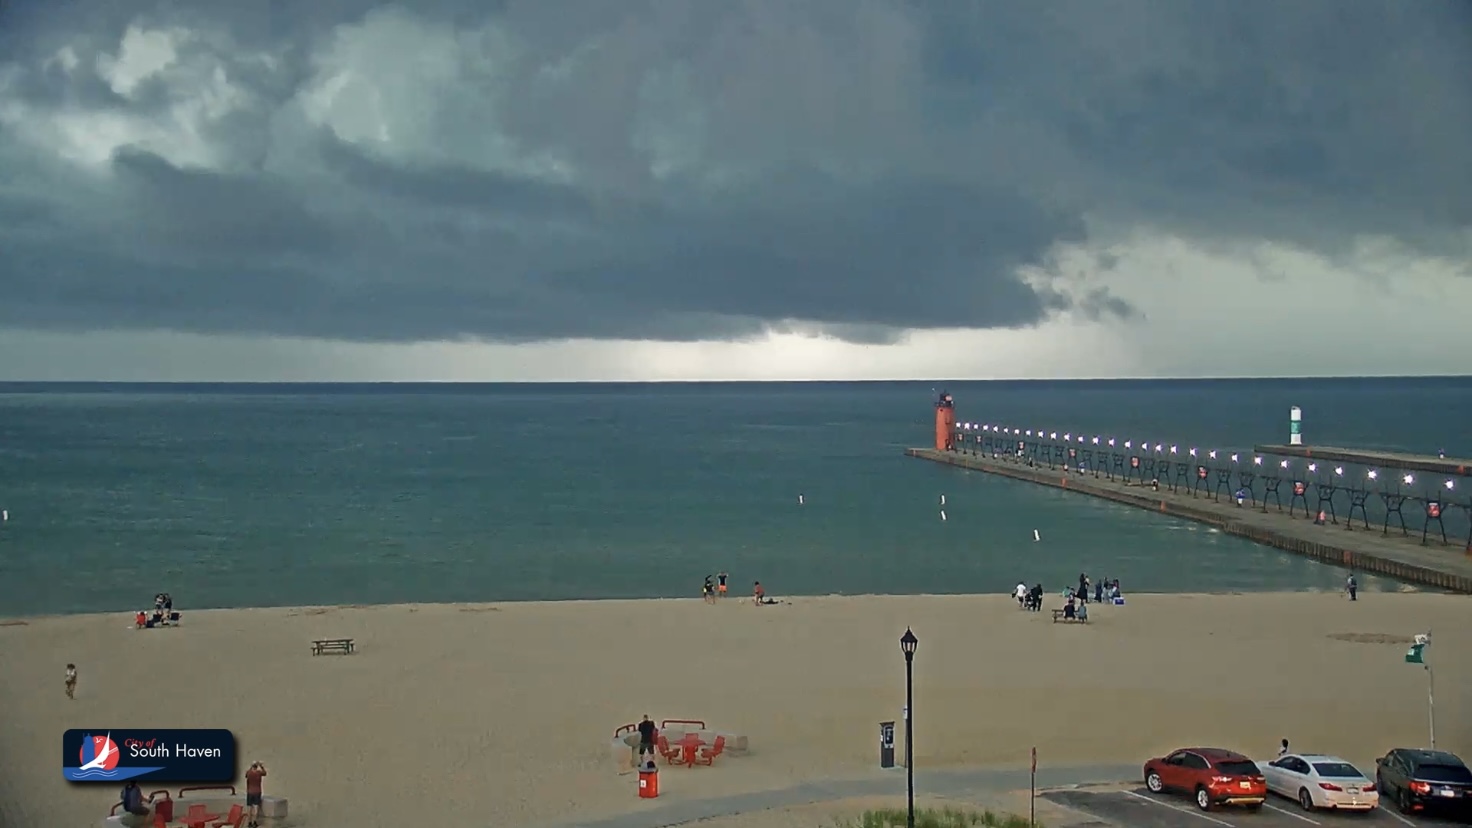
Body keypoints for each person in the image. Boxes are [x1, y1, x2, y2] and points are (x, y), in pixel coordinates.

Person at [245, 761, 267, 827]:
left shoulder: (249, 773)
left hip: (250, 792)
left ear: (252, 767)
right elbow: (265, 773)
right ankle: (255, 822)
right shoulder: (259, 773)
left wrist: (250, 766)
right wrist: (261, 766)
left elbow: (246, 774)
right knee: (256, 807)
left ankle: (249, 822)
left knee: (249, 808)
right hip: (257, 792)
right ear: (257, 767)